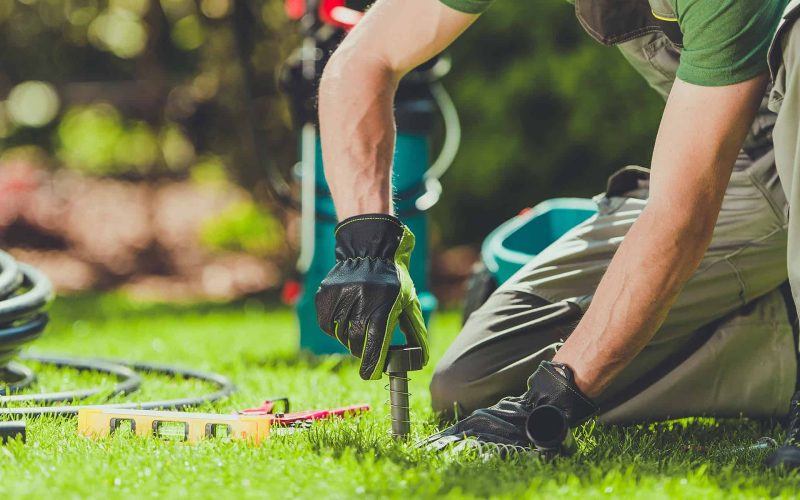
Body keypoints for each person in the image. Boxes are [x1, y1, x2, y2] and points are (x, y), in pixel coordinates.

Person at [313, 0, 800, 467]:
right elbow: (364, 59)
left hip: (772, 172)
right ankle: (784, 341)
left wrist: (555, 399)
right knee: (472, 382)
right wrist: (366, 244)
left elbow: (682, 217)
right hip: (734, 171)